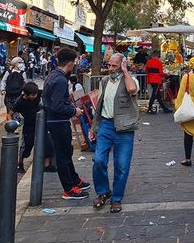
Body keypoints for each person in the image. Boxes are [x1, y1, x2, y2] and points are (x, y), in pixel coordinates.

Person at [89, 54, 139, 213]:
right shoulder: (104, 81)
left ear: (122, 65)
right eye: (109, 65)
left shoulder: (131, 79)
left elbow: (132, 89)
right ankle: (103, 192)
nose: (110, 69)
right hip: (106, 124)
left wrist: (125, 71)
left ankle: (116, 198)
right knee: (98, 160)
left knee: (122, 165)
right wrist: (93, 128)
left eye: (114, 66)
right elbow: (99, 105)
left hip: (124, 128)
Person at [42, 48, 89, 200]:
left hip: (56, 121)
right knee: (63, 154)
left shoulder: (53, 76)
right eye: (74, 62)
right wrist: (73, 111)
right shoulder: (60, 79)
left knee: (66, 151)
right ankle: (68, 188)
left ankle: (74, 179)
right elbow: (57, 105)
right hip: (58, 121)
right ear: (70, 63)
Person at [14, 82, 56, 174]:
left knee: (47, 144)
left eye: (36, 94)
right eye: (32, 95)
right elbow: (13, 112)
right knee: (26, 147)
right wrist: (15, 124)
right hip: (29, 126)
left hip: (41, 124)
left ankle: (47, 165)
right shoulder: (19, 102)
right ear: (25, 94)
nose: (35, 96)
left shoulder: (38, 94)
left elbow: (48, 92)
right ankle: (20, 164)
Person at [0, 57, 27, 121]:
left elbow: (25, 84)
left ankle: (15, 126)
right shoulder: (8, 72)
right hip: (8, 94)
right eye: (19, 62)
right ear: (15, 63)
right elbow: (3, 81)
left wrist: (24, 93)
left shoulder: (23, 73)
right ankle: (11, 125)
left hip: (18, 94)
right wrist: (2, 89)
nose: (21, 64)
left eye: (22, 62)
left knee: (16, 110)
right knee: (9, 110)